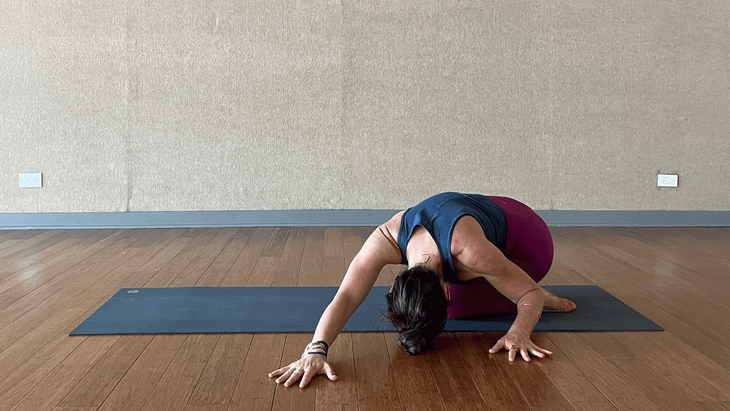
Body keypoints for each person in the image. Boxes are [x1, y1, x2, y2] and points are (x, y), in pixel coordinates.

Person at [268, 192, 576, 388]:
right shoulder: (385, 237)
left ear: (444, 289)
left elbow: (529, 296)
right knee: (426, 314)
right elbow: (347, 295)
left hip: (528, 241)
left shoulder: (470, 254)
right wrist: (315, 349)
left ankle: (523, 285)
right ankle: (507, 285)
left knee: (457, 310)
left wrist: (520, 329)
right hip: (478, 226)